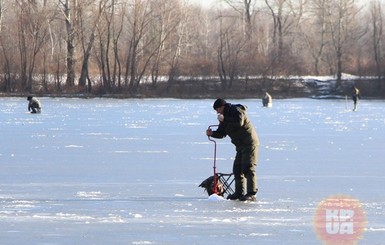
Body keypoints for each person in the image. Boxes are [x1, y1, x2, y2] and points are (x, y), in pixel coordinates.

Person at [206, 98, 260, 201]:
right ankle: (239, 193)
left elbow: (238, 123)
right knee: (237, 169)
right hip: (240, 145)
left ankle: (251, 194)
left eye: (217, 109)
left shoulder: (236, 110)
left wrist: (224, 119)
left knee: (248, 167)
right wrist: (212, 133)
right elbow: (222, 133)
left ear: (222, 106)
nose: (217, 112)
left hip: (249, 143)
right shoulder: (224, 117)